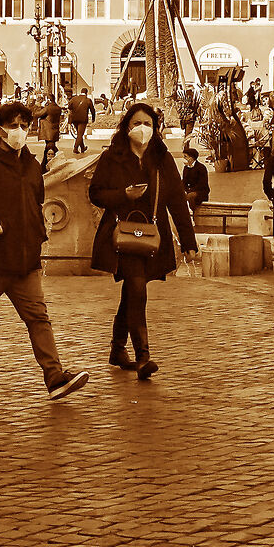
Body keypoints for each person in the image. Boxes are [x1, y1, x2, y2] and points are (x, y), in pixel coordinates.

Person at [0, 100, 90, 406]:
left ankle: (54, 376)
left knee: (39, 318)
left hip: (26, 260)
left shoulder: (32, 166)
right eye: (13, 126)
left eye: (24, 125)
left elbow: (36, 202)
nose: (19, 131)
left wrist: (38, 233)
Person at [89, 101, 196, 382]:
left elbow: (177, 201)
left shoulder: (162, 159)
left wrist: (189, 242)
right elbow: (95, 193)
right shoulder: (112, 157)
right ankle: (143, 356)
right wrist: (123, 195)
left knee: (133, 292)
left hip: (152, 237)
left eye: (147, 124)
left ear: (155, 128)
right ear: (126, 127)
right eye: (136, 123)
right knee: (136, 287)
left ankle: (117, 349)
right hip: (121, 236)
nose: (142, 129)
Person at [179, 144, 210, 210]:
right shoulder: (186, 168)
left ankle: (195, 211)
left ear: (191, 158)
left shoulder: (201, 168)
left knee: (190, 196)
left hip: (200, 191)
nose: (184, 158)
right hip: (190, 190)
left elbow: (202, 184)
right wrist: (184, 189)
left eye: (185, 156)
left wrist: (190, 190)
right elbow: (184, 181)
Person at [68, 88, 95, 155]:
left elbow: (69, 108)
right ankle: (75, 148)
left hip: (74, 119)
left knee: (79, 134)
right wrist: (93, 118)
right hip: (83, 120)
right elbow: (92, 110)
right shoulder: (88, 100)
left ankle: (83, 148)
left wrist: (69, 121)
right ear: (86, 93)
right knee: (80, 134)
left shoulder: (74, 99)